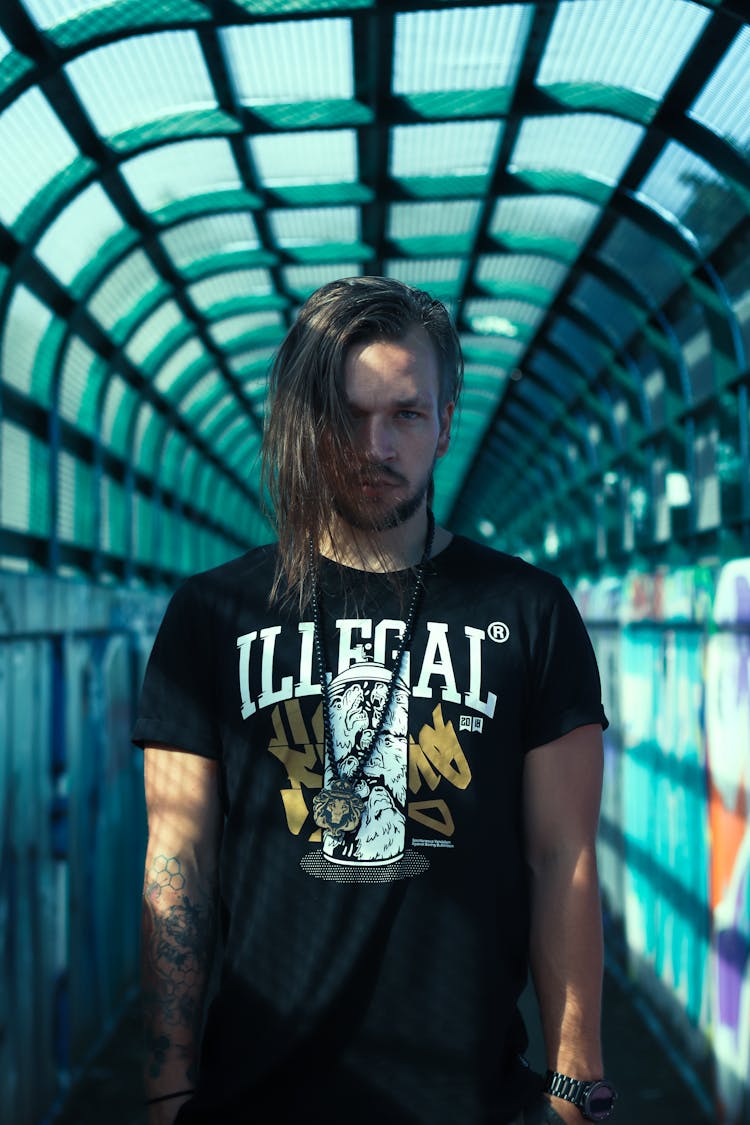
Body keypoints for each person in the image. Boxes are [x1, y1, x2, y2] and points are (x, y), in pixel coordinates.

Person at [133, 276, 616, 1125]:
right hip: (255, 1099)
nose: (377, 444)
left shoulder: (529, 610)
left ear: (445, 422)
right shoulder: (211, 614)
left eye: (406, 414)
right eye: (348, 414)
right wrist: (168, 1085)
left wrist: (576, 1088)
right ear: (303, 419)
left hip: (471, 1101)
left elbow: (563, 858)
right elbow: (181, 858)